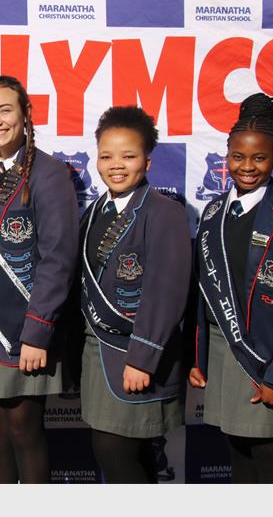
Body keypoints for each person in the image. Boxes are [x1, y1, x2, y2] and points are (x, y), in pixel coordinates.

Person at [189, 93, 273, 483]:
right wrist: (199, 357)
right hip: (224, 354)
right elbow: (205, 291)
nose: (247, 166)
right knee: (239, 459)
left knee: (271, 461)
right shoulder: (213, 211)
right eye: (238, 157)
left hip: (270, 358)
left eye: (259, 158)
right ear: (226, 157)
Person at [0, 75, 78, 483]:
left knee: (24, 430)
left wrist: (38, 332)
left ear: (26, 114)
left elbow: (58, 258)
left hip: (26, 322)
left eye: (5, 110)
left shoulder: (49, 173)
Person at [77, 106, 189, 483]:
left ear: (147, 161)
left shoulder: (165, 212)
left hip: (135, 354)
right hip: (97, 352)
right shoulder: (95, 211)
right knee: (126, 455)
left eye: (128, 156)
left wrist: (142, 357)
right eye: (106, 156)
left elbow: (167, 291)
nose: (116, 165)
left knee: (116, 453)